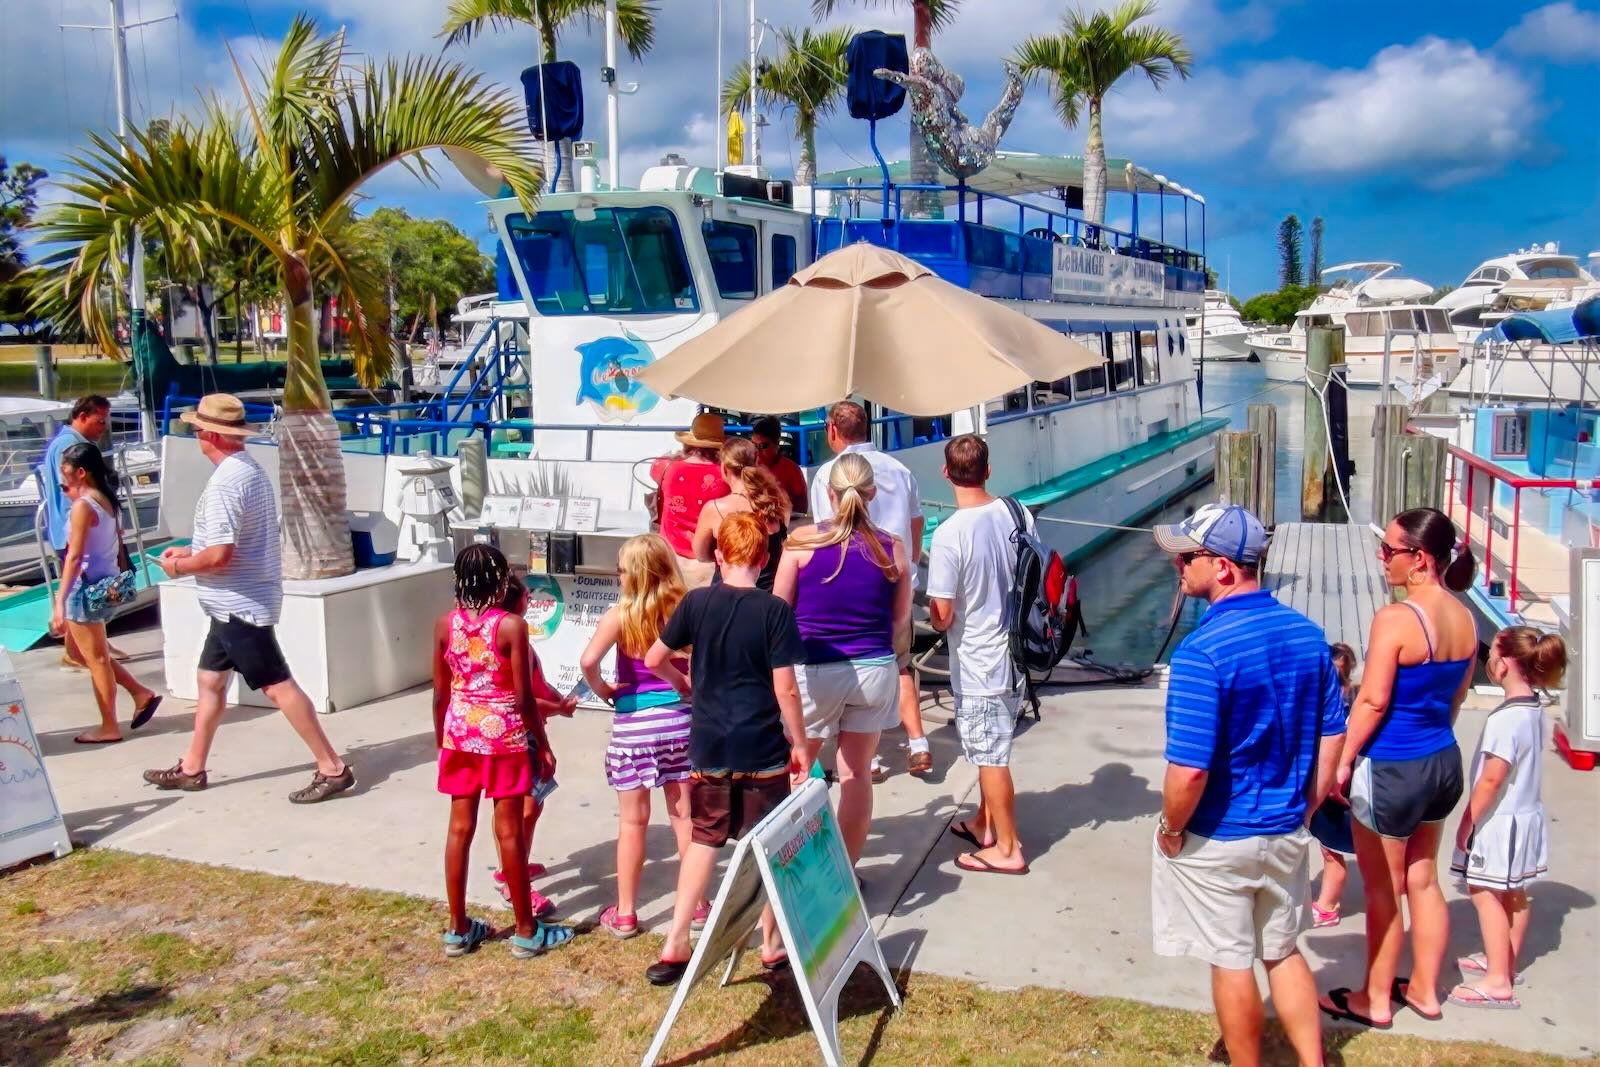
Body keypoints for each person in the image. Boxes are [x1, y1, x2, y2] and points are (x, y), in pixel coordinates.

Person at [1151, 503, 1346, 1067]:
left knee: (1231, 958)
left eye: (1189, 558)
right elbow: (1333, 733)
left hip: (1218, 836)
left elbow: (1189, 770)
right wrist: (1307, 806)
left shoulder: (1200, 653)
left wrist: (1170, 829)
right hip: (1286, 829)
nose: (1180, 567)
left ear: (1225, 568)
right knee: (1282, 951)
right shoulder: (1310, 637)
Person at [145, 393, 355, 803]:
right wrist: (190, 552)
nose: (195, 435)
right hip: (234, 601)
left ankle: (332, 767)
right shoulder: (248, 471)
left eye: (197, 429)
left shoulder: (226, 482)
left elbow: (221, 553)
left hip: (239, 604)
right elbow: (231, 543)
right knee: (209, 680)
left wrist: (179, 567)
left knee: (277, 685)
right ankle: (192, 766)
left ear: (208, 433)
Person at [1320, 506, 1477, 1028]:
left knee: (1384, 889)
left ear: (1421, 559)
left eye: (1390, 550)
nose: (1381, 557)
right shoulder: (1465, 617)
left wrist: (1341, 762)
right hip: (1443, 762)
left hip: (1393, 767)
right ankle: (1427, 992)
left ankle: (1375, 998)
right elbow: (1455, 701)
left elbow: (1370, 703)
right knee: (1423, 880)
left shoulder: (1397, 618)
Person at [642, 511, 809, 986]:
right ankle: (771, 943)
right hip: (761, 747)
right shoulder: (775, 611)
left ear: (718, 555)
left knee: (704, 838)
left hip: (710, 743)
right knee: (770, 846)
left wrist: (683, 685)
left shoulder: (696, 603)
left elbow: (655, 658)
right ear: (764, 557)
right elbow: (787, 691)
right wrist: (799, 743)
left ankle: (676, 940)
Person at [430, 544, 574, 959]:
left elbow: (441, 693)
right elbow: (524, 698)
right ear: (497, 582)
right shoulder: (510, 626)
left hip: (459, 734)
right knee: (508, 831)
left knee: (459, 830)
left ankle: (458, 928)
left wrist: (442, 737)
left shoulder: (445, 624)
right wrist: (542, 745)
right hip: (504, 737)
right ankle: (527, 931)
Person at [774, 454, 912, 864]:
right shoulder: (892, 547)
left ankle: (794, 868)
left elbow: (778, 612)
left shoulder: (802, 542)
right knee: (856, 775)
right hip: (875, 668)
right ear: (872, 494)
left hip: (816, 670)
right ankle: (845, 873)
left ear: (829, 494)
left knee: (798, 770)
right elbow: (901, 617)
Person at [578, 533, 707, 939]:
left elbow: (587, 662)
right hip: (679, 722)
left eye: (620, 569)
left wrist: (604, 691)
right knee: (685, 817)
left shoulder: (620, 615)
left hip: (634, 726)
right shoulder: (684, 610)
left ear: (633, 573)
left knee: (633, 821)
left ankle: (627, 913)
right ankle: (698, 905)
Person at [809, 401, 931, 779]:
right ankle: (918, 743)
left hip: (850, 584)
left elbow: (823, 534)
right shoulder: (899, 469)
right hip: (895, 581)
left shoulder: (826, 475)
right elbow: (915, 526)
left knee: (854, 665)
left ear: (832, 430)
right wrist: (906, 571)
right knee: (900, 664)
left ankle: (871, 757)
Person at [927, 434, 1031, 875]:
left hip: (979, 661)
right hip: (1016, 651)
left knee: (990, 756)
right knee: (992, 743)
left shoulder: (950, 534)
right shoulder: (1017, 512)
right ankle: (985, 823)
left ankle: (1007, 848)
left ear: (946, 473)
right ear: (988, 470)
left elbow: (943, 616)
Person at [1447, 626, 1565, 1010]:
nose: (1489, 660)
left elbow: (1492, 778)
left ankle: (1497, 981)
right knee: (1514, 893)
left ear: (1509, 661)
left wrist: (1468, 822)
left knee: (1484, 892)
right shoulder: (1533, 709)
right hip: (1526, 816)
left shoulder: (1505, 719)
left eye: (1493, 652)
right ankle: (1505, 961)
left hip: (1500, 822)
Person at [50, 442, 161, 744]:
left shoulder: (83, 506)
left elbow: (73, 557)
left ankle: (109, 725)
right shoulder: (108, 501)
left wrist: (59, 603)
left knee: (96, 658)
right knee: (79, 652)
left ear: (81, 472)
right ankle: (139, 692)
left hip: (84, 591)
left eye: (66, 471)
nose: (62, 476)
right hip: (106, 585)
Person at [495, 574, 574, 917]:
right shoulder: (512, 642)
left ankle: (515, 863)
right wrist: (557, 710)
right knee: (519, 809)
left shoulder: (523, 642)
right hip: (516, 734)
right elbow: (519, 701)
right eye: (528, 595)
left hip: (529, 731)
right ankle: (512, 883)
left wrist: (556, 698)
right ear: (519, 601)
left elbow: (536, 686)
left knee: (533, 804)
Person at [38, 394, 128, 668]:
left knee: (86, 595)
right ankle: (88, 648)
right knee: (88, 592)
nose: (104, 427)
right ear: (82, 416)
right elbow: (73, 493)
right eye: (100, 421)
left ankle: (85, 647)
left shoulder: (64, 443)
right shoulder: (73, 446)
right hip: (75, 531)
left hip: (71, 529)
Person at [691, 437, 791, 592]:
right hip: (768, 595)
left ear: (724, 468)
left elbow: (701, 555)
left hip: (725, 594)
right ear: (757, 462)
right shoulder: (778, 503)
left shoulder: (714, 509)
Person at [1310, 642, 1359, 928]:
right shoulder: (1342, 697)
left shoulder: (1342, 700)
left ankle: (1327, 906)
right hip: (1332, 779)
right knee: (1330, 847)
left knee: (1332, 849)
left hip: (1336, 783)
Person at [653, 412, 728, 589]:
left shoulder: (669, 468)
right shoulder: (725, 474)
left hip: (670, 556)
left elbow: (654, 470)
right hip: (708, 559)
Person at [751, 416, 808, 512]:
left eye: (763, 446)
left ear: (776, 444)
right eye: (754, 445)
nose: (757, 451)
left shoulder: (791, 470)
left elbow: (800, 508)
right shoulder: (748, 467)